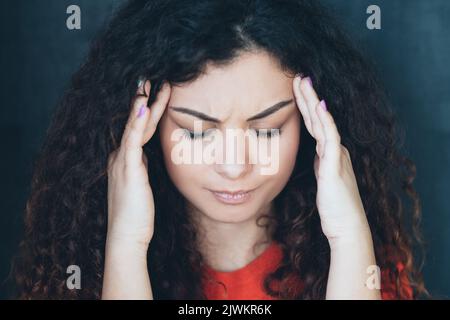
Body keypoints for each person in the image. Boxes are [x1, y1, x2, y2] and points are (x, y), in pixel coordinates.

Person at [14, 0, 427, 299]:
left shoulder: (363, 270)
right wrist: (126, 242)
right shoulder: (80, 274)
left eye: (266, 130)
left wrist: (348, 237)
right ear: (145, 127)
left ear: (310, 122)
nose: (234, 166)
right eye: (196, 132)